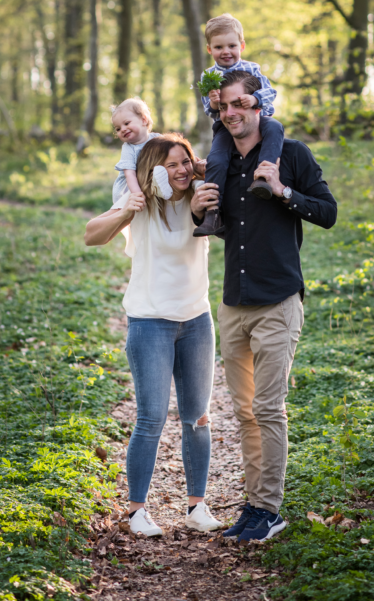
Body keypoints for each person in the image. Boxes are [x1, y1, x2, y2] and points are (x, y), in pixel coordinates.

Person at [192, 70, 338, 543]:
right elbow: (208, 223)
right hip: (234, 304)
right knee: (245, 412)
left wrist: (283, 192)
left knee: (269, 408)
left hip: (278, 300)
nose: (232, 113)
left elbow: (328, 212)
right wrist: (198, 209)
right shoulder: (220, 164)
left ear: (259, 107)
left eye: (241, 104)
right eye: (224, 107)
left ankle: (269, 510)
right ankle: (253, 506)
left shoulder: (289, 153)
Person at [85, 134, 222, 537]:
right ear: (154, 171)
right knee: (151, 418)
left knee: (198, 417)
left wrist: (201, 183)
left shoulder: (200, 195)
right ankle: (136, 511)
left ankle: (197, 506)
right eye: (170, 165)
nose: (180, 170)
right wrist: (125, 209)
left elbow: (224, 187)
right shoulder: (141, 203)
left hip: (196, 319)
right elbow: (92, 234)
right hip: (150, 323)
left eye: (185, 162)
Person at [193, 13, 284, 238]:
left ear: (241, 45)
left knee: (275, 127)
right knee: (217, 159)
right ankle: (213, 213)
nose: (226, 51)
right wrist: (214, 102)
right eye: (218, 47)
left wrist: (255, 99)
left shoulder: (252, 69)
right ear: (209, 49)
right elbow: (209, 110)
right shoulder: (208, 77)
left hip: (257, 118)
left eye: (232, 45)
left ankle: (263, 178)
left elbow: (270, 92)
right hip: (225, 126)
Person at [111, 98, 168, 204]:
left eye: (127, 123)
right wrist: (137, 195)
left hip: (151, 181)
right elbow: (130, 174)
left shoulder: (158, 139)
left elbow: (176, 152)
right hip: (131, 188)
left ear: (143, 120)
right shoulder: (128, 148)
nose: (122, 129)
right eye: (118, 129)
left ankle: (165, 191)